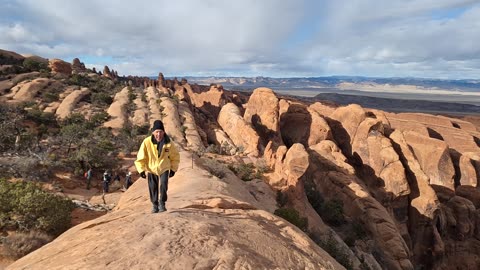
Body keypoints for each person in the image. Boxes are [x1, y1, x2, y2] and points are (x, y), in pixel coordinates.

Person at [135, 120, 180, 213]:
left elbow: (175, 156)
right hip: (151, 168)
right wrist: (141, 170)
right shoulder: (147, 142)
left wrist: (173, 169)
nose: (159, 134)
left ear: (164, 132)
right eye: (157, 132)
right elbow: (140, 156)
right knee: (153, 187)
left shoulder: (169, 142)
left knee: (163, 184)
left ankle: (162, 203)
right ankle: (155, 205)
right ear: (153, 132)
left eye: (160, 132)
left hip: (164, 167)